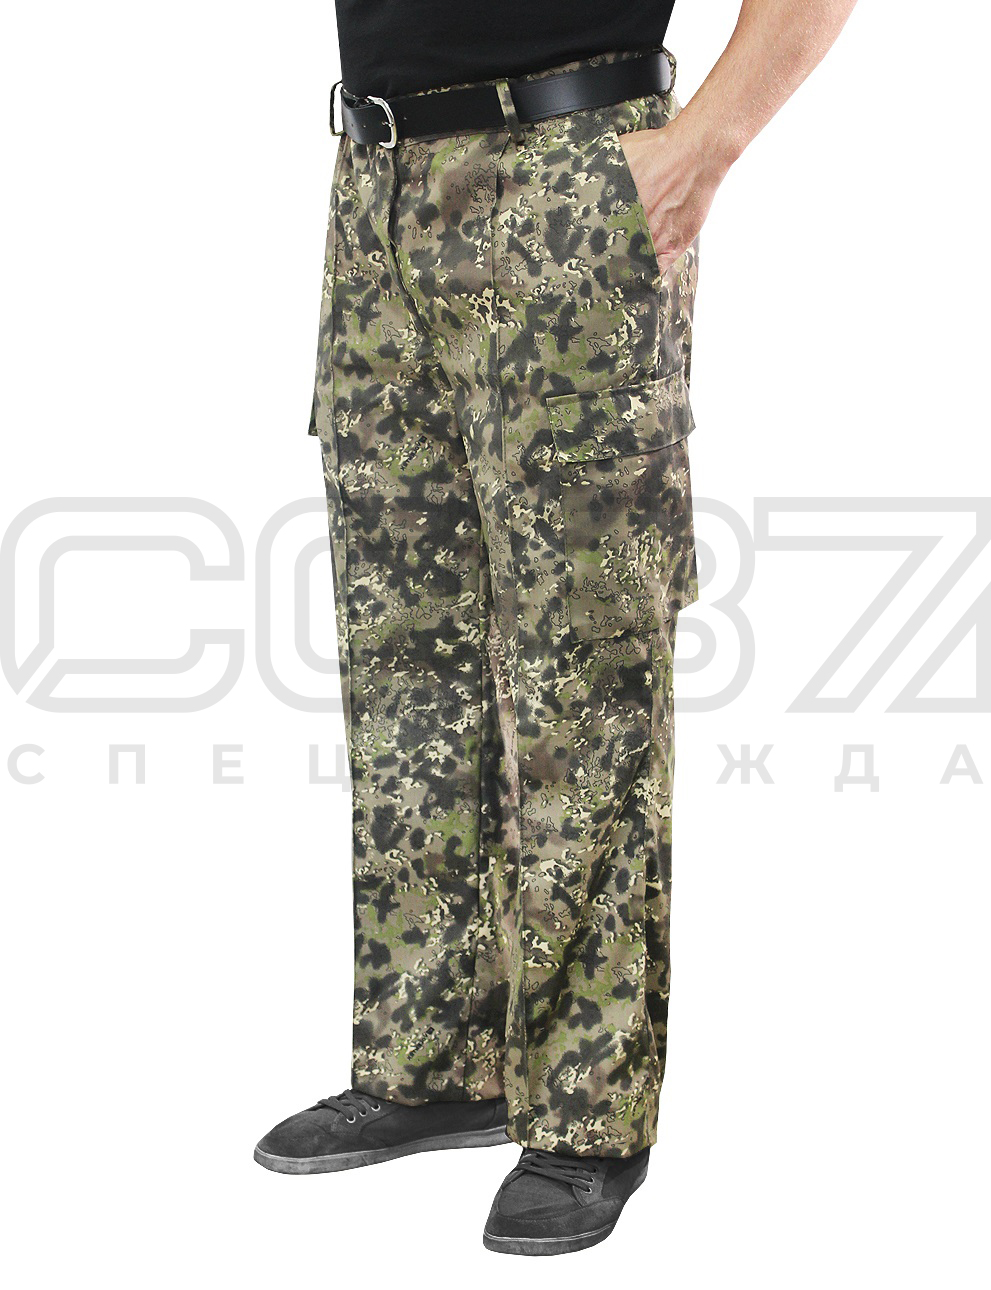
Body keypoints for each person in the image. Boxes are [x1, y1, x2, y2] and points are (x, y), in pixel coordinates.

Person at [255, 0, 857, 1256]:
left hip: (566, 181)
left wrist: (701, 146)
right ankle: (435, 1063)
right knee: (406, 663)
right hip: (375, 185)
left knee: (580, 674)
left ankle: (588, 1115)